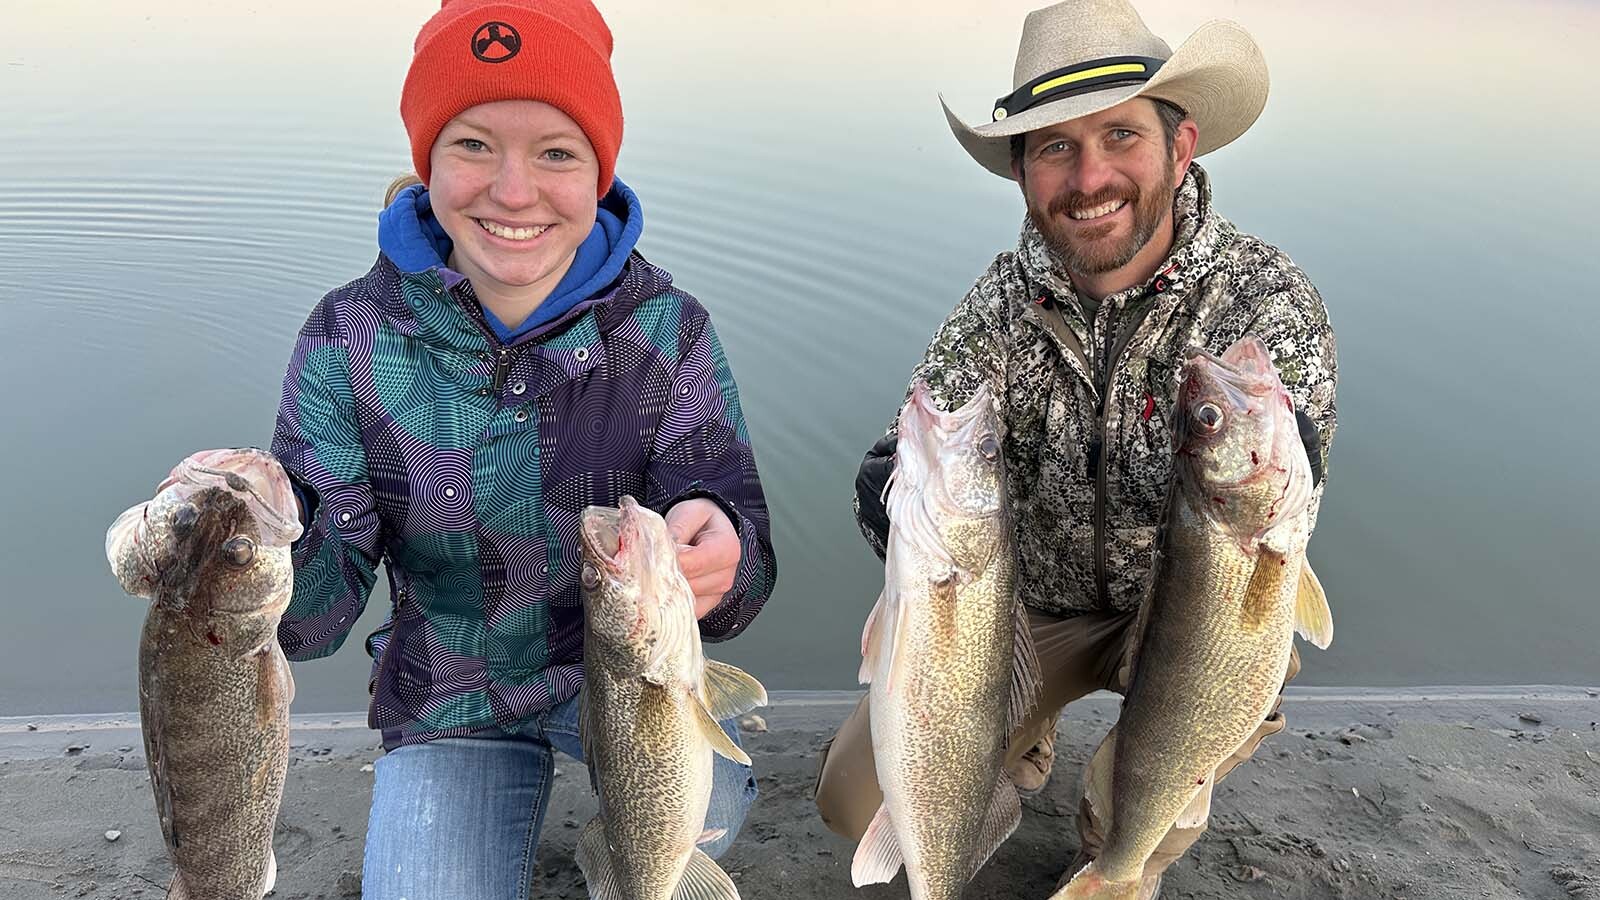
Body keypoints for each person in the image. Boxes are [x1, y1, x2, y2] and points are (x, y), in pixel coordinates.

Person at [812, 0, 1337, 895]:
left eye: (1120, 135)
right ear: (1022, 172)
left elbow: (1279, 512)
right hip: (1028, 614)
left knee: (1178, 752)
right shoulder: (992, 312)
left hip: (1179, 615)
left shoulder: (1265, 303)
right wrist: (886, 498)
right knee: (857, 799)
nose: (1090, 177)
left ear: (1181, 147)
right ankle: (1023, 736)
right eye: (1056, 146)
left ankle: (1121, 841)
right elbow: (937, 483)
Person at [265, 1, 776, 896]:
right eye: (473, 145)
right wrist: (262, 542)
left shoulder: (669, 331)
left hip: (622, 672)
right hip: (450, 693)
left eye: (556, 153)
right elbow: (310, 623)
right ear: (427, 160)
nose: (512, 192)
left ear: (599, 172)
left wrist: (724, 549)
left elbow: (741, 567)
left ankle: (624, 853)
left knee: (706, 812)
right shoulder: (347, 338)